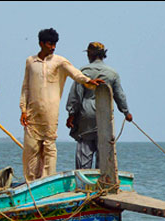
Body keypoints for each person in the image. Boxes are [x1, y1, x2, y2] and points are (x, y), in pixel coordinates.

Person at [19, 28, 105, 182]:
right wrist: (23, 109)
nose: (52, 47)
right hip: (32, 112)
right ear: (41, 43)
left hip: (50, 113)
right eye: (50, 44)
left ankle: (47, 180)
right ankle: (30, 181)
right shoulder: (30, 62)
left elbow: (75, 73)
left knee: (49, 146)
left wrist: (88, 81)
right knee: (31, 149)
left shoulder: (59, 61)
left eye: (54, 44)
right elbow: (25, 87)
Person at [66, 42, 133, 169]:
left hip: (86, 115)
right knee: (103, 151)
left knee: (84, 151)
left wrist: (71, 115)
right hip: (105, 116)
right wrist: (126, 113)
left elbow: (75, 96)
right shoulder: (112, 73)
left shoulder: (83, 72)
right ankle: (103, 183)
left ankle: (84, 181)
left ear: (90, 54)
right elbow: (119, 96)